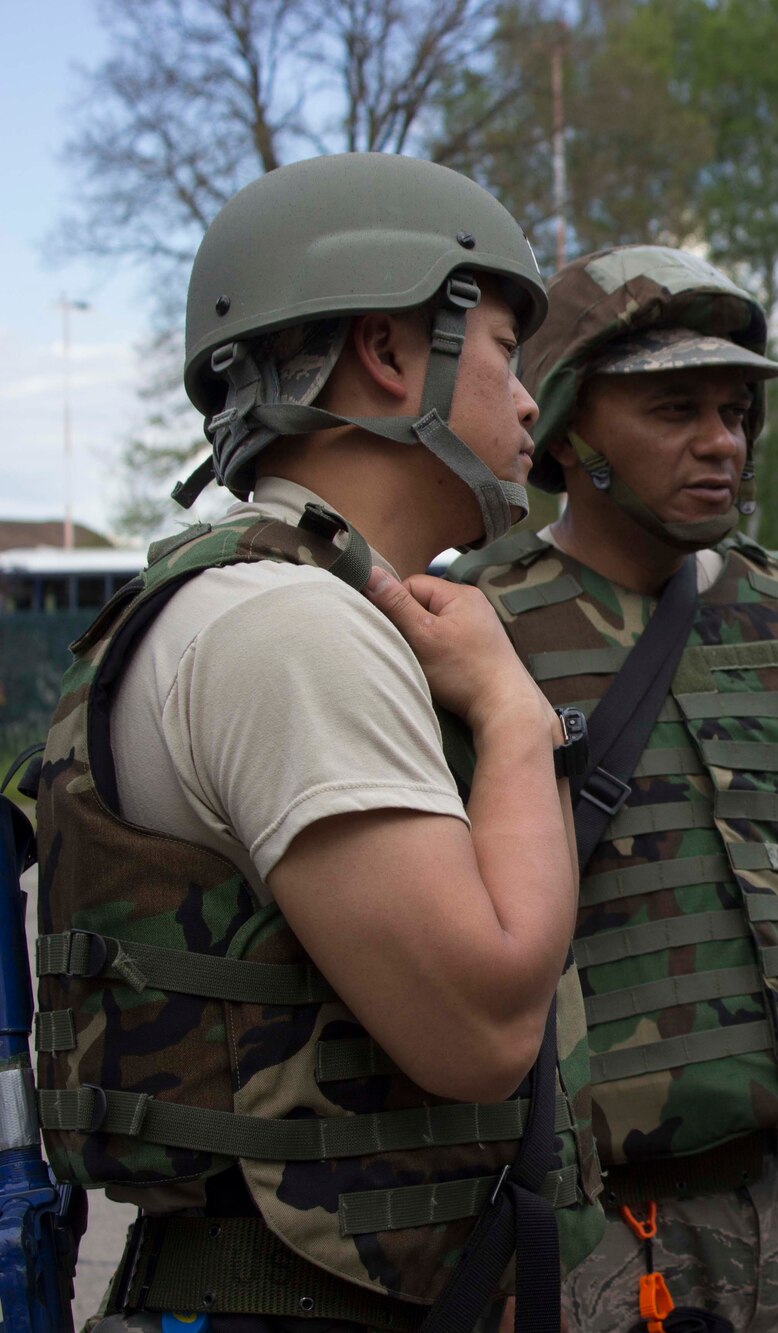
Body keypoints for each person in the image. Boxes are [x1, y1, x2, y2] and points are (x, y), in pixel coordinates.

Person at [32, 153, 605, 1333]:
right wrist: (508, 713)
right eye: (505, 347)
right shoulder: (288, 629)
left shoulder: (278, 604)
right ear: (392, 354)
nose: (531, 401)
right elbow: (485, 1023)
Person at [453, 244, 778, 1333]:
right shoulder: (469, 630)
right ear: (568, 429)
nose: (721, 441)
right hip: (583, 1230)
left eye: (736, 410)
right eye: (674, 408)